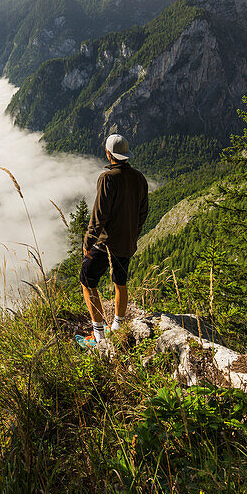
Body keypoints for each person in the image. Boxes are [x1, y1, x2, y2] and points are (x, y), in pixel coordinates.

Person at [76, 133, 148, 348]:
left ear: (108, 154)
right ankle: (117, 326)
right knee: (120, 282)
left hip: (105, 242)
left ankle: (98, 335)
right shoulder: (139, 178)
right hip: (127, 242)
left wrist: (89, 240)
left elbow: (99, 214)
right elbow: (143, 212)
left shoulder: (107, 178)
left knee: (87, 281)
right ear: (126, 154)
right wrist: (133, 234)